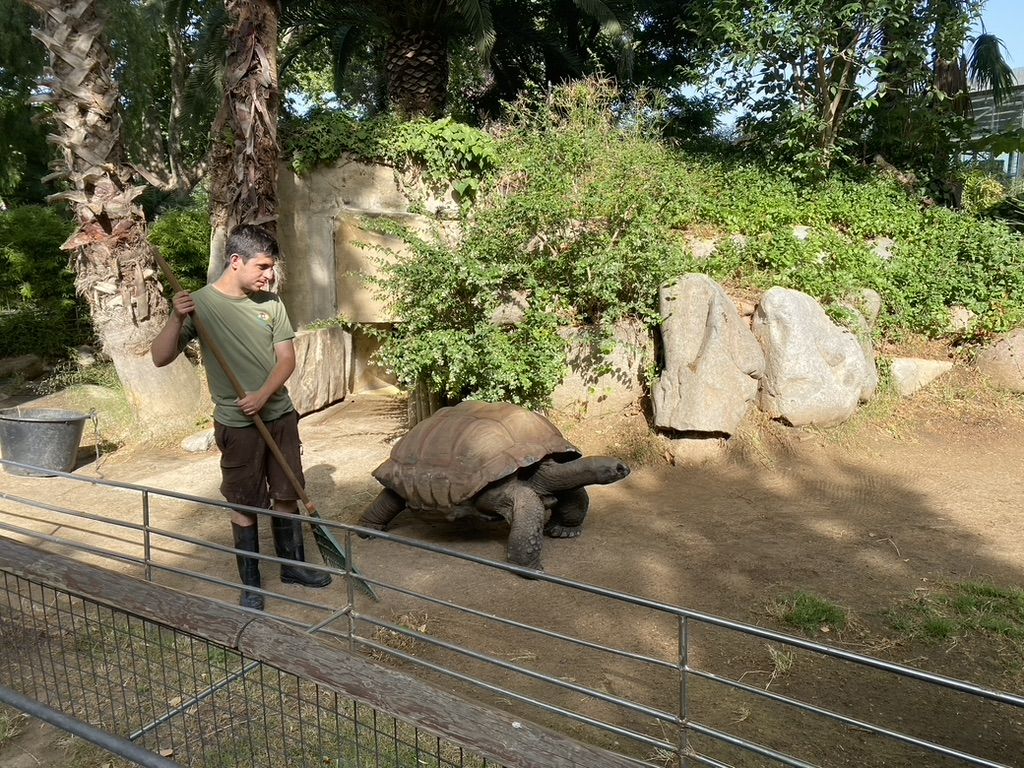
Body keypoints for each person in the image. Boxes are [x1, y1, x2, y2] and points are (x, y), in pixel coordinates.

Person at [151, 224, 331, 610]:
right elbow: (159, 357)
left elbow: (287, 359)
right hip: (237, 426)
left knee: (286, 495)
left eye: (271, 267)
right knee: (244, 502)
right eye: (263, 266)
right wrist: (175, 318)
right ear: (236, 261)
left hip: (280, 416)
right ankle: (252, 584)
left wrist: (262, 395)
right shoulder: (198, 305)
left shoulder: (272, 304)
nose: (269, 275)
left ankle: (293, 567)